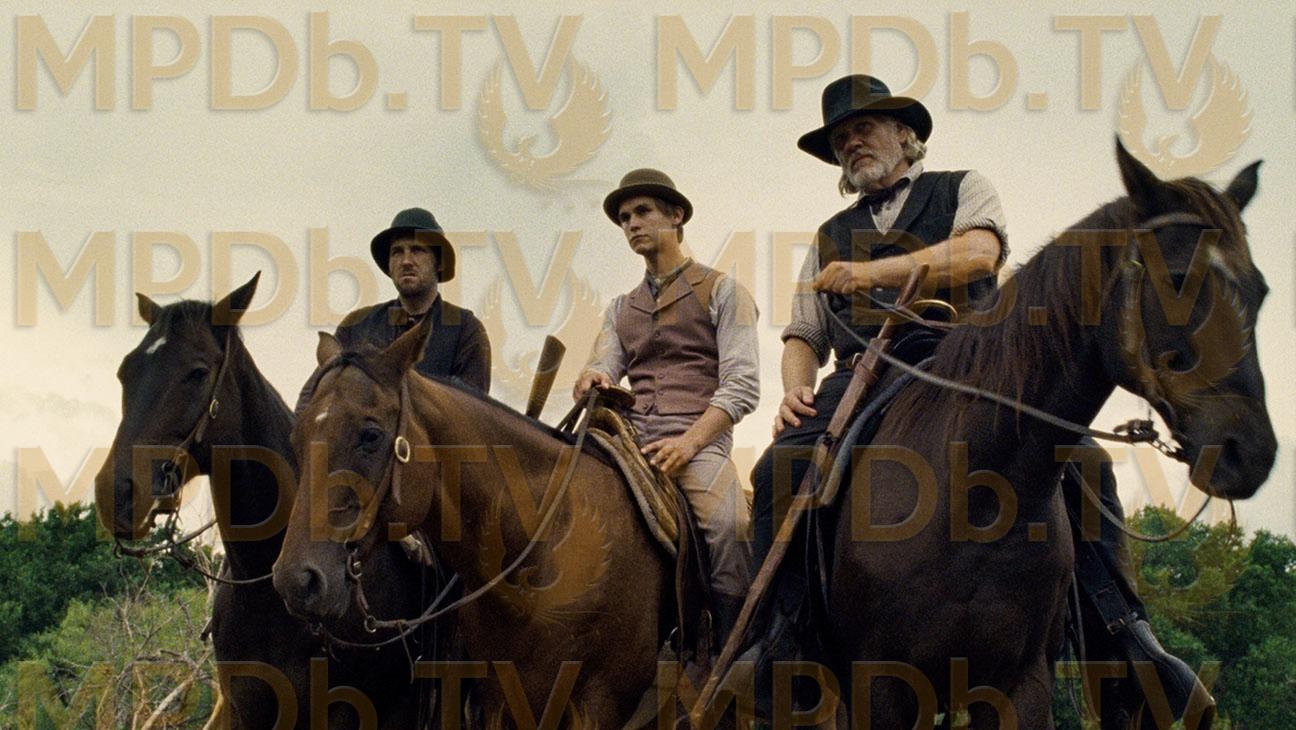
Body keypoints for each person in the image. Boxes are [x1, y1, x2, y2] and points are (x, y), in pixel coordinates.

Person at [749, 73, 1212, 725]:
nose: (851, 143)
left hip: (972, 359)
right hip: (865, 373)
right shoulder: (830, 235)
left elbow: (978, 255)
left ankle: (1124, 636)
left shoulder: (964, 187)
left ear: (904, 135)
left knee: (1084, 461)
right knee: (779, 467)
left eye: (863, 128)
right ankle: (780, 638)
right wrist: (796, 386)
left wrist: (872, 272)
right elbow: (804, 333)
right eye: (840, 137)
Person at [574, 168, 760, 643]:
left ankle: (735, 646)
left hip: (700, 442)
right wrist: (591, 377)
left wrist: (689, 444)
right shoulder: (620, 308)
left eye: (642, 212)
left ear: (676, 216)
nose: (632, 224)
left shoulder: (724, 291)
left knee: (731, 526)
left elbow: (742, 386)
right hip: (630, 438)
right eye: (624, 218)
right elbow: (603, 363)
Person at [296, 206, 490, 415]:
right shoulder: (358, 326)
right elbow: (314, 396)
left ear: (439, 263)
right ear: (389, 266)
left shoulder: (465, 329)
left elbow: (471, 413)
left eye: (417, 250)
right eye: (397, 252)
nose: (406, 261)